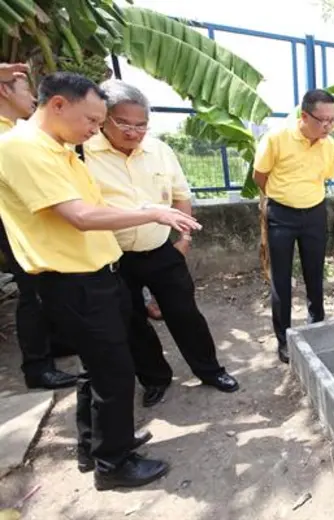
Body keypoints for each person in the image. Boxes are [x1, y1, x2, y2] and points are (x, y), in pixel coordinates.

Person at [0, 72, 202, 490]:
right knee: (114, 372)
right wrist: (152, 212)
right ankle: (115, 465)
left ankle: (94, 446)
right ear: (58, 105)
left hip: (92, 276)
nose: (95, 129)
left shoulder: (59, 149)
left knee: (97, 369)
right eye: (92, 119)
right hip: (73, 281)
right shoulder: (23, 149)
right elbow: (81, 216)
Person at [84, 80, 239, 407]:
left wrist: (183, 240)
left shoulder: (160, 151)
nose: (133, 132)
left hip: (161, 251)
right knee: (132, 322)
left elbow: (182, 197)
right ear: (103, 119)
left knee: (185, 314)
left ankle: (210, 370)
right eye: (124, 123)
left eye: (141, 125)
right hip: (113, 256)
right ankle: (155, 378)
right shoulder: (83, 152)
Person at [0, 69, 78, 389]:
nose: (32, 97)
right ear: (4, 91)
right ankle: (37, 367)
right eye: (23, 88)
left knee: (47, 287)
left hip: (33, 219)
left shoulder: (16, 129)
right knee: (32, 293)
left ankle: (55, 343)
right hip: (14, 222)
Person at [253, 89, 334, 363]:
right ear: (304, 116)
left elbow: (322, 178)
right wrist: (282, 199)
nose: (327, 126)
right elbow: (260, 175)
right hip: (282, 216)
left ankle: (316, 328)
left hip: (314, 214)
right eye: (322, 120)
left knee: (315, 275)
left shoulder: (329, 146)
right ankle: (284, 339)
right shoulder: (277, 138)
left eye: (332, 121)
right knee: (281, 280)